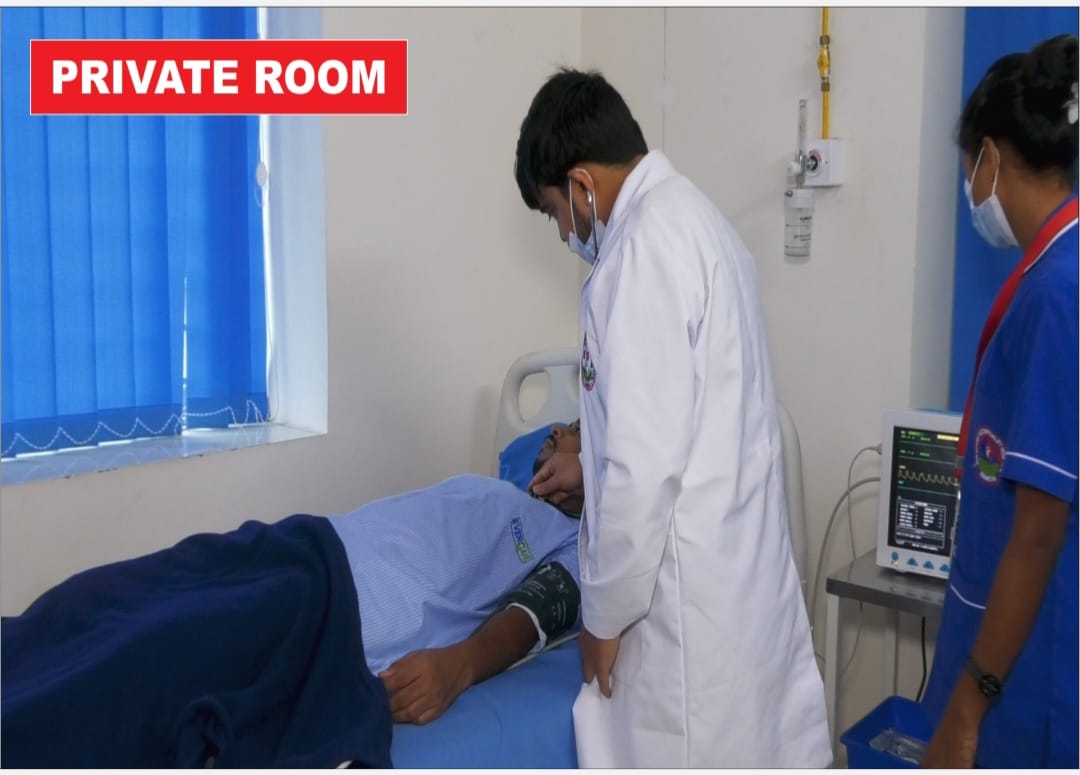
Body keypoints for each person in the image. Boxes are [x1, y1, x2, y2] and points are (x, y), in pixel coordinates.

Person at [513, 68, 831, 768]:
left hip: (682, 615)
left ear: (582, 184)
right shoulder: (702, 224)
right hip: (734, 584)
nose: (562, 232)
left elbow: (642, 469)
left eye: (554, 211)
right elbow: (683, 425)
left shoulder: (640, 254)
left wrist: (602, 618)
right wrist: (587, 459)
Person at [1, 425, 585, 769]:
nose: (556, 435)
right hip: (293, 544)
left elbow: (528, 620)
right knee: (105, 598)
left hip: (325, 607)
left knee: (147, 653)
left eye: (575, 431)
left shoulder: (576, 548)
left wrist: (458, 666)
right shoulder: (486, 488)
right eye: (556, 429)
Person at [920, 34, 1078, 769]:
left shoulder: (1059, 292)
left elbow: (1040, 529)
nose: (970, 190)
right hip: (1006, 643)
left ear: (989, 157)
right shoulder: (1048, 271)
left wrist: (968, 703)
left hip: (1028, 672)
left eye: (966, 171)